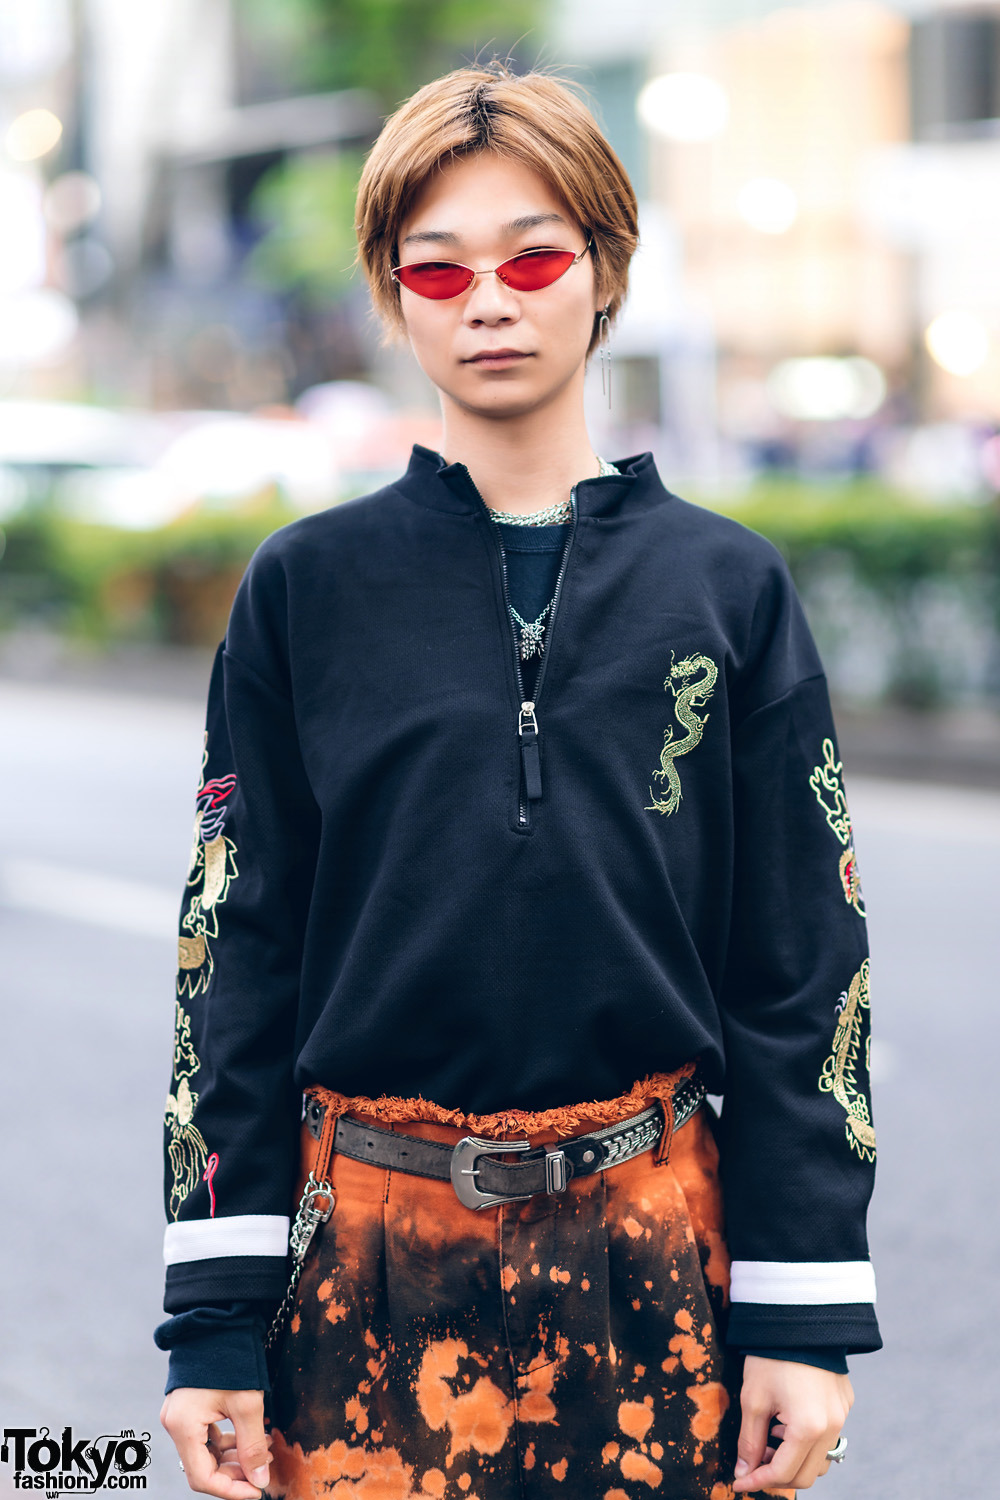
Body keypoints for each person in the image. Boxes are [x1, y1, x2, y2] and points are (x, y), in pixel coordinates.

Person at [157, 62, 879, 1500]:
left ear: (606, 272)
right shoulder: (307, 591)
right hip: (360, 1263)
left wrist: (802, 1318)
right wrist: (213, 1330)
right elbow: (233, 963)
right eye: (438, 269)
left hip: (659, 1253)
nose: (489, 299)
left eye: (535, 255)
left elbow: (803, 974)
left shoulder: (728, 590)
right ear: (391, 294)